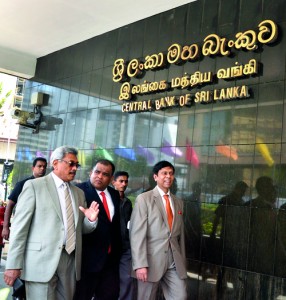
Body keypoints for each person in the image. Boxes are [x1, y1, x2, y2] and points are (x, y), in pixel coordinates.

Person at [4, 145, 99, 300]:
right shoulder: (34, 186)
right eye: (71, 163)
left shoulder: (79, 193)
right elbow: (20, 228)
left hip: (69, 261)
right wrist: (13, 265)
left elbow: (80, 229)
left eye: (77, 165)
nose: (75, 168)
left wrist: (90, 220)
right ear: (55, 163)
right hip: (41, 261)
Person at [130, 160, 187, 300]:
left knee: (180, 296)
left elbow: (180, 235)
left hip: (173, 260)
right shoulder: (144, 199)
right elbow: (137, 234)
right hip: (150, 260)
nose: (168, 176)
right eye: (164, 173)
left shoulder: (178, 202)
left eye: (171, 173)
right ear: (155, 177)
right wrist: (140, 264)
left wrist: (182, 260)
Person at [74, 159, 122, 300]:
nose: (100, 176)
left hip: (110, 259)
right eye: (97, 172)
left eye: (105, 174)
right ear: (91, 172)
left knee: (109, 295)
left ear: (111, 178)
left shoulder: (114, 194)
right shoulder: (79, 191)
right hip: (87, 260)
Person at [2, 157, 47, 241]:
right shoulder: (22, 184)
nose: (42, 169)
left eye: (44, 167)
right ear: (33, 168)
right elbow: (10, 205)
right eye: (39, 166)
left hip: (41, 229)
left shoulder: (47, 186)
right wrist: (5, 227)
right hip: (22, 226)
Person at [112, 171, 134, 300]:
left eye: (126, 181)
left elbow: (130, 224)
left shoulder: (127, 202)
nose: (124, 184)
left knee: (126, 279)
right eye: (121, 181)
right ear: (113, 181)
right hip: (110, 248)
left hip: (125, 247)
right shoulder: (108, 199)